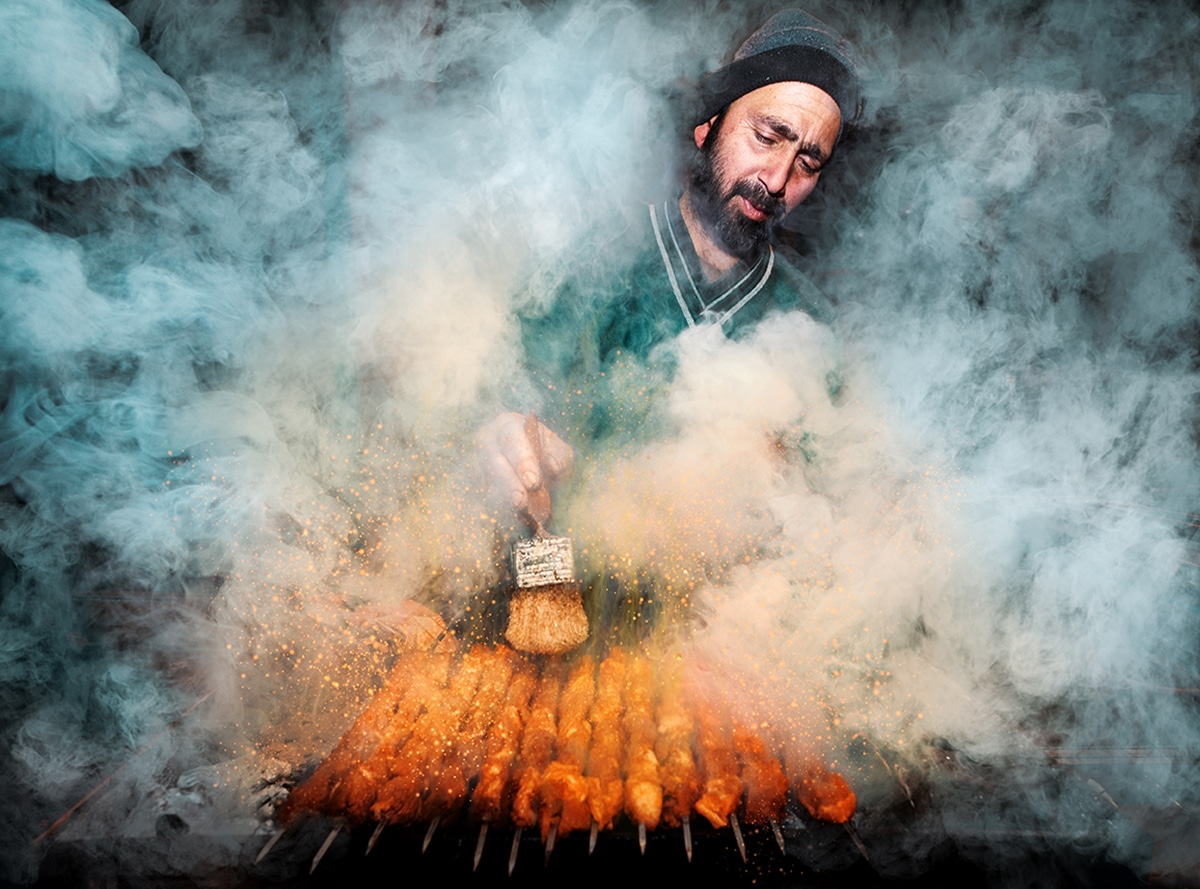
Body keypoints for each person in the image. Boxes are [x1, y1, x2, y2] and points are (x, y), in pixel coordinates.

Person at [480, 8, 863, 526]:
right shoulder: (585, 269)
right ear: (709, 125)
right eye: (768, 137)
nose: (777, 178)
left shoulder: (811, 331)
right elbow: (488, 406)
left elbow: (826, 523)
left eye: (808, 163)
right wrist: (494, 437)